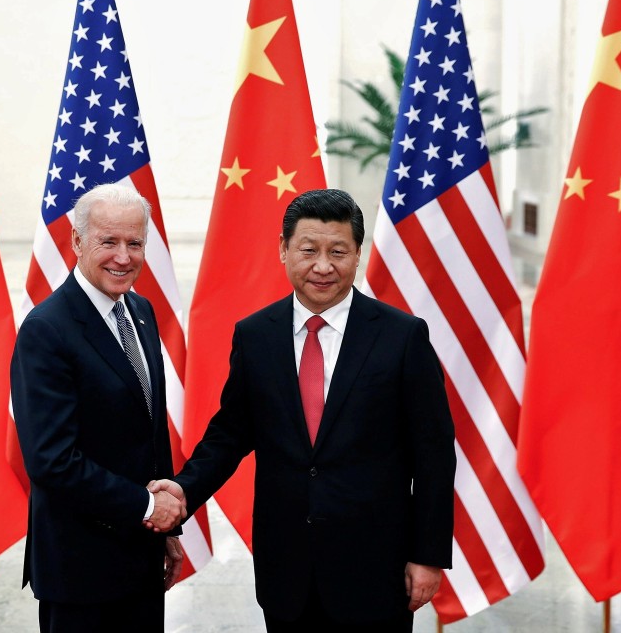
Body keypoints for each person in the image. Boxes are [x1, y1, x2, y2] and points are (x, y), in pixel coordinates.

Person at [151, 188, 456, 632]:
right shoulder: (255, 335)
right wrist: (182, 492)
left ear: (357, 255)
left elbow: (433, 455)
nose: (323, 266)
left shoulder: (402, 336)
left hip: (375, 569)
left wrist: (427, 556)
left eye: (338, 251)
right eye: (308, 250)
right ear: (283, 249)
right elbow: (231, 433)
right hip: (287, 570)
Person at [11, 183, 186, 633]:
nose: (123, 257)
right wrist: (149, 508)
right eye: (108, 241)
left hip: (140, 560)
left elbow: (150, 429)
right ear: (76, 241)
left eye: (135, 243)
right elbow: (52, 461)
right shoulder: (47, 329)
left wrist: (165, 531)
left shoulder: (141, 312)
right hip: (79, 572)